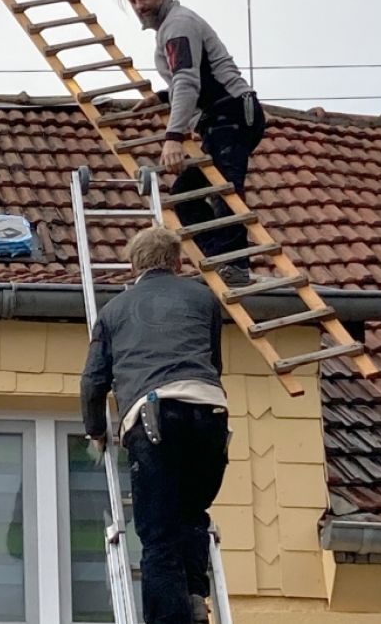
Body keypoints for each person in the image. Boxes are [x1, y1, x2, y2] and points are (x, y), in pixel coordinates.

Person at [81, 226, 232, 624]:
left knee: (159, 535)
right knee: (192, 511)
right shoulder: (204, 298)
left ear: (133, 266)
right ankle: (196, 595)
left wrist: (96, 431)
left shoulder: (114, 312)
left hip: (155, 421)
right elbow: (215, 365)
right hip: (210, 415)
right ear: (178, 262)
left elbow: (93, 382)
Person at [121, 0, 267, 286]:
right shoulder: (169, 29)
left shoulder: (178, 26)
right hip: (217, 116)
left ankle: (235, 267)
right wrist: (163, 97)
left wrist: (174, 136)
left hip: (231, 113)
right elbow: (189, 78)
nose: (139, 6)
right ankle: (220, 259)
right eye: (132, 1)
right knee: (185, 195)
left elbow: (187, 80)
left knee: (224, 190)